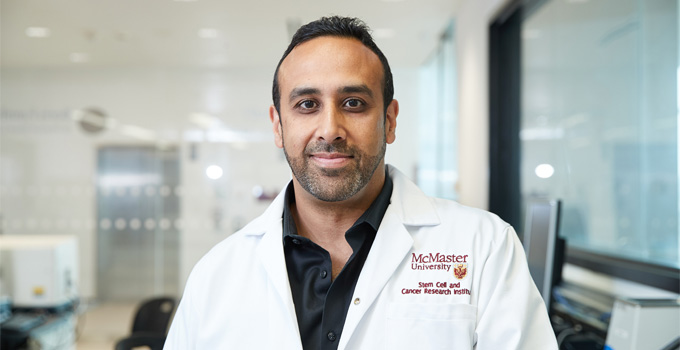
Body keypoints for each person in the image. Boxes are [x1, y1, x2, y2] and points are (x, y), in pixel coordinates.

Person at [164, 16, 558, 350]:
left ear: (389, 120)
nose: (330, 129)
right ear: (278, 125)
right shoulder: (216, 274)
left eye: (353, 103)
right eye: (307, 105)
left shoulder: (484, 247)